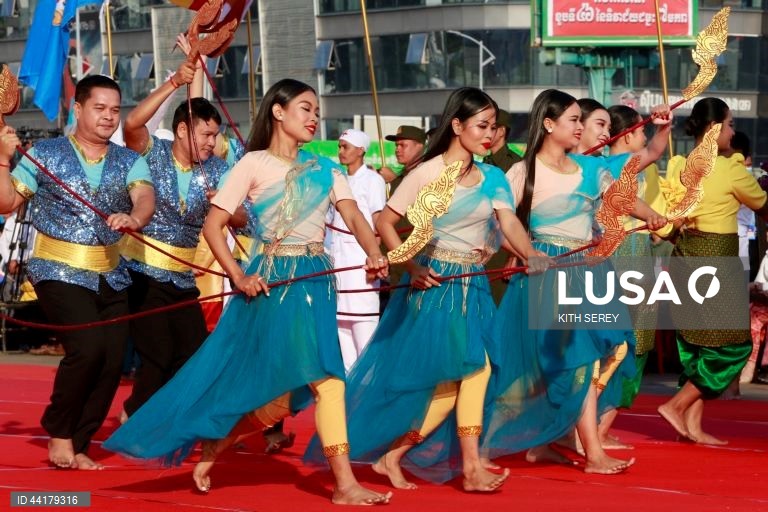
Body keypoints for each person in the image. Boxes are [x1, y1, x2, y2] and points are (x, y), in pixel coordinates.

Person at [104, 78, 391, 505]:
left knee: (289, 388)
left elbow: (354, 215)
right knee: (323, 381)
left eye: (316, 111)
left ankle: (217, 443)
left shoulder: (327, 169)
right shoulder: (253, 164)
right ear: (279, 111)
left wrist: (375, 252)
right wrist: (238, 276)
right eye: (306, 109)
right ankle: (344, 484)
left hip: (316, 278)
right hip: (272, 281)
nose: (314, 118)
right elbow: (213, 225)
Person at [306, 87, 546, 491]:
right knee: (473, 369)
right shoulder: (427, 172)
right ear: (457, 126)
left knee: (459, 378)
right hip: (436, 285)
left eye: (493, 127)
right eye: (481, 126)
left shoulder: (492, 177)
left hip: (474, 286)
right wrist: (410, 265)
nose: (489, 134)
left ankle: (394, 455)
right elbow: (385, 221)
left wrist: (530, 254)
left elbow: (508, 223)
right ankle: (467, 467)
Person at [482, 89, 669, 475]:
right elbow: (501, 222)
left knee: (586, 359)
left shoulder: (590, 169)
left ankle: (573, 447)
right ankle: (488, 444)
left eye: (583, 121)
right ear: (549, 125)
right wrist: (521, 253)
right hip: (545, 275)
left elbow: (620, 199)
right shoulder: (522, 171)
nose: (580, 127)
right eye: (574, 120)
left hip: (589, 272)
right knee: (535, 367)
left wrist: (650, 213)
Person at [0, 75, 155, 469]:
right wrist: (3, 158)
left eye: (114, 110)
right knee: (87, 349)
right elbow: (6, 203)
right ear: (79, 109)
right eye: (99, 108)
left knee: (112, 359)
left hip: (110, 271)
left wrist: (135, 219)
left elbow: (144, 198)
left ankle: (81, 442)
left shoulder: (128, 160)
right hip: (56, 268)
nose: (108, 117)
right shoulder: (46, 153)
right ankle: (60, 431)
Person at [119, 59, 231, 420]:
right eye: (207, 135)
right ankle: (136, 416)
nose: (212, 143)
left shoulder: (217, 169)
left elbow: (245, 218)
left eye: (215, 135)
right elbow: (132, 123)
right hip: (142, 269)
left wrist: (229, 207)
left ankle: (159, 415)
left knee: (194, 351)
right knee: (158, 351)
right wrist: (175, 81)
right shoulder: (153, 154)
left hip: (183, 277)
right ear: (182, 131)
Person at [657, 98, 768, 445]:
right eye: (731, 124)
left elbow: (665, 222)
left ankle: (691, 427)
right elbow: (762, 204)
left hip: (684, 253)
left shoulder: (679, 166)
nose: (733, 132)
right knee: (732, 347)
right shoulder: (729, 168)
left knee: (696, 345)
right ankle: (676, 406)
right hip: (715, 258)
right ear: (715, 128)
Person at [601, 104, 671, 445]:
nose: (644, 139)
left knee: (623, 342)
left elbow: (656, 149)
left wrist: (663, 125)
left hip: (630, 250)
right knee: (630, 342)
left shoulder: (611, 165)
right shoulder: (615, 166)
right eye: (640, 132)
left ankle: (598, 425)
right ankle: (597, 427)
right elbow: (656, 150)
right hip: (626, 253)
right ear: (627, 135)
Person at [329, 128, 387, 371]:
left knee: (364, 329)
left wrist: (376, 259)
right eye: (340, 146)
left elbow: (378, 222)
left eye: (346, 146)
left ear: (361, 150)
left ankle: (368, 388)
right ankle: (350, 390)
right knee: (341, 327)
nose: (341, 151)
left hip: (360, 262)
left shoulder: (373, 180)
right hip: (335, 262)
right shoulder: (336, 179)